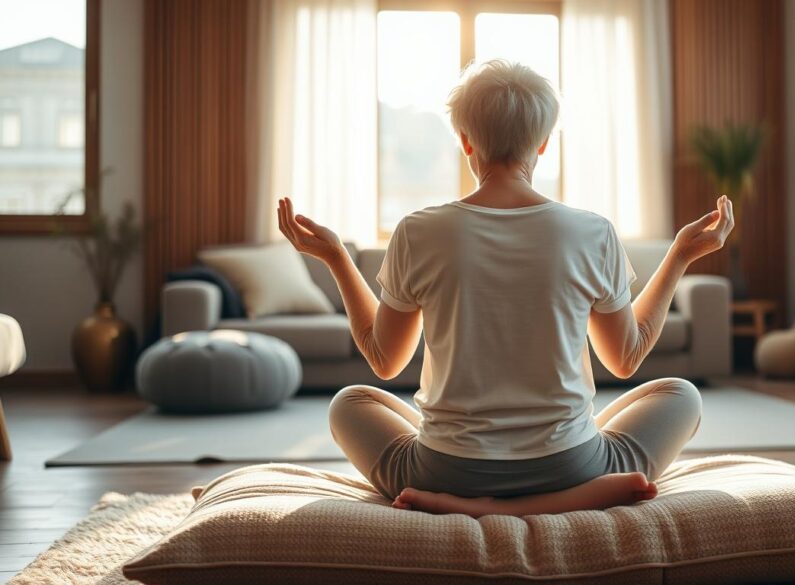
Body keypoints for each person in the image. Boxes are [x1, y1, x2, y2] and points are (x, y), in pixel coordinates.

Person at [277, 60, 734, 518]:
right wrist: (680, 256)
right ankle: (561, 501)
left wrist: (337, 258)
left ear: (465, 140)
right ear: (543, 143)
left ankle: (473, 505)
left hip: (443, 473)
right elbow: (624, 358)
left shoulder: (418, 231)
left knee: (349, 404)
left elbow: (384, 360)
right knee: (681, 395)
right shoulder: (592, 232)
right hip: (572, 469)